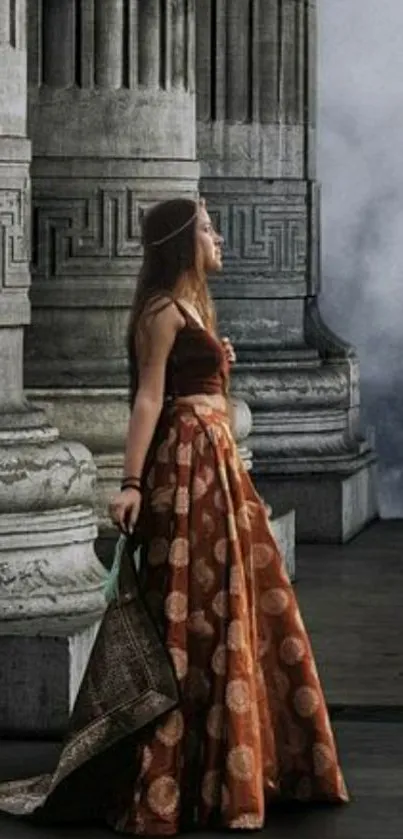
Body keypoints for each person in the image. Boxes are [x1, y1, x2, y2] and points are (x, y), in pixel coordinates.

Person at [0, 198, 348, 834]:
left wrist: (219, 362)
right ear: (183, 242)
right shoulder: (162, 312)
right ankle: (182, 774)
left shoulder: (193, 310)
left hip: (216, 470)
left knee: (228, 607)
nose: (218, 238)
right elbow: (148, 399)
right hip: (188, 469)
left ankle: (229, 767)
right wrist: (131, 483)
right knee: (189, 611)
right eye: (209, 228)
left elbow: (196, 386)